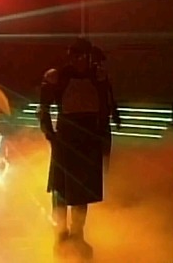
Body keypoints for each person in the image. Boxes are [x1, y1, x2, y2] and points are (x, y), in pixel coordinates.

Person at [37, 37, 109, 258]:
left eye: (84, 56)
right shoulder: (58, 77)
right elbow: (44, 108)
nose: (80, 61)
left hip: (88, 139)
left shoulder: (98, 77)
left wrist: (104, 139)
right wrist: (50, 133)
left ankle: (78, 234)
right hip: (66, 138)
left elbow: (104, 110)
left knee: (82, 192)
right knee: (60, 189)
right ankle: (60, 234)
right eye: (77, 56)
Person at [90, 45, 121, 175]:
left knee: (103, 155)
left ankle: (103, 179)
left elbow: (109, 96)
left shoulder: (102, 76)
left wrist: (114, 114)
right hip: (94, 122)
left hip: (101, 121)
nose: (98, 64)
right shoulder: (89, 78)